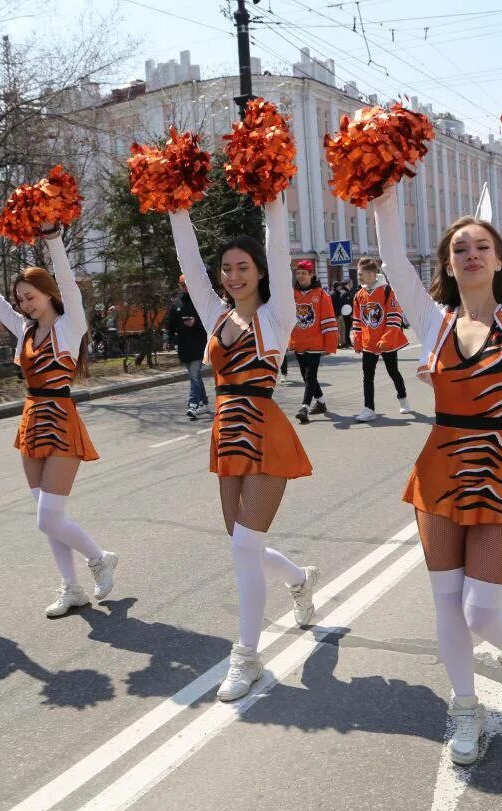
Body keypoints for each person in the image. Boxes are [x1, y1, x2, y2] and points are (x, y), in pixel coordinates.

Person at [373, 161, 502, 765]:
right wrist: (383, 190)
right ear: (449, 265)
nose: (472, 253)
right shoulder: (433, 322)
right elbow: (395, 262)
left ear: (500, 261)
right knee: (445, 602)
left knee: (483, 609)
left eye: (482, 246)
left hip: (501, 461)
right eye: (460, 248)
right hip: (441, 465)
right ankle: (464, 708)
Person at [169, 182, 319, 703]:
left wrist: (275, 196)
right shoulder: (216, 315)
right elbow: (185, 253)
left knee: (243, 547)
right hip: (225, 430)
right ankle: (299, 579)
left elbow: (278, 250)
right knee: (242, 545)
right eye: (226, 269)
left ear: (259, 272)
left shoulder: (279, 317)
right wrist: (176, 205)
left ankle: (247, 657)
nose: (234, 276)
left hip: (265, 430)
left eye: (243, 268)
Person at [0, 229, 118, 618]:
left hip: (61, 420)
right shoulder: (25, 331)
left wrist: (53, 240)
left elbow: (70, 284)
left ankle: (99, 558)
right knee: (51, 519)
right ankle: (71, 587)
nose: (24, 305)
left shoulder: (69, 327)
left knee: (47, 516)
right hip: (32, 420)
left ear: (48, 293)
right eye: (21, 300)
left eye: (30, 297)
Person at [351, 256, 410, 421]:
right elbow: (358, 321)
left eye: (361, 274)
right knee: (367, 377)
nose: (359, 277)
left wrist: (386, 339)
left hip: (386, 343)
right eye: (358, 274)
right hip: (369, 344)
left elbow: (394, 317)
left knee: (393, 372)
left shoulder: (387, 291)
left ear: (371, 273)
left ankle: (403, 399)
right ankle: (369, 409)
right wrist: (357, 340)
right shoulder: (359, 295)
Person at [289, 259, 338, 423]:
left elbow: (328, 319)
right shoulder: (292, 294)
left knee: (310, 376)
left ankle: (304, 407)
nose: (301, 276)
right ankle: (321, 402)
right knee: (306, 376)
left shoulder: (321, 295)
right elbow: (287, 320)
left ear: (311, 275)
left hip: (315, 342)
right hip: (299, 342)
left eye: (304, 273)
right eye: (298, 273)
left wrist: (329, 343)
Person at [167, 274, 209, 419]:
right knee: (195, 376)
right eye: (183, 285)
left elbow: (209, 324)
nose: (186, 287)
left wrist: (195, 323)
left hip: (199, 345)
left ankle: (193, 404)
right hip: (184, 347)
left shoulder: (200, 302)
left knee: (194, 376)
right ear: (180, 286)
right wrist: (169, 339)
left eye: (188, 284)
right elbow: (170, 326)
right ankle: (204, 402)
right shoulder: (176, 304)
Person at [330, 277, 357, 349]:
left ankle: (345, 342)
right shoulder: (344, 293)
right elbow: (345, 304)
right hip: (343, 314)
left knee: (343, 329)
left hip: (340, 313)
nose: (352, 285)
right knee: (344, 329)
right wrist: (350, 313)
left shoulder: (340, 292)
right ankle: (344, 342)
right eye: (350, 283)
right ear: (347, 284)